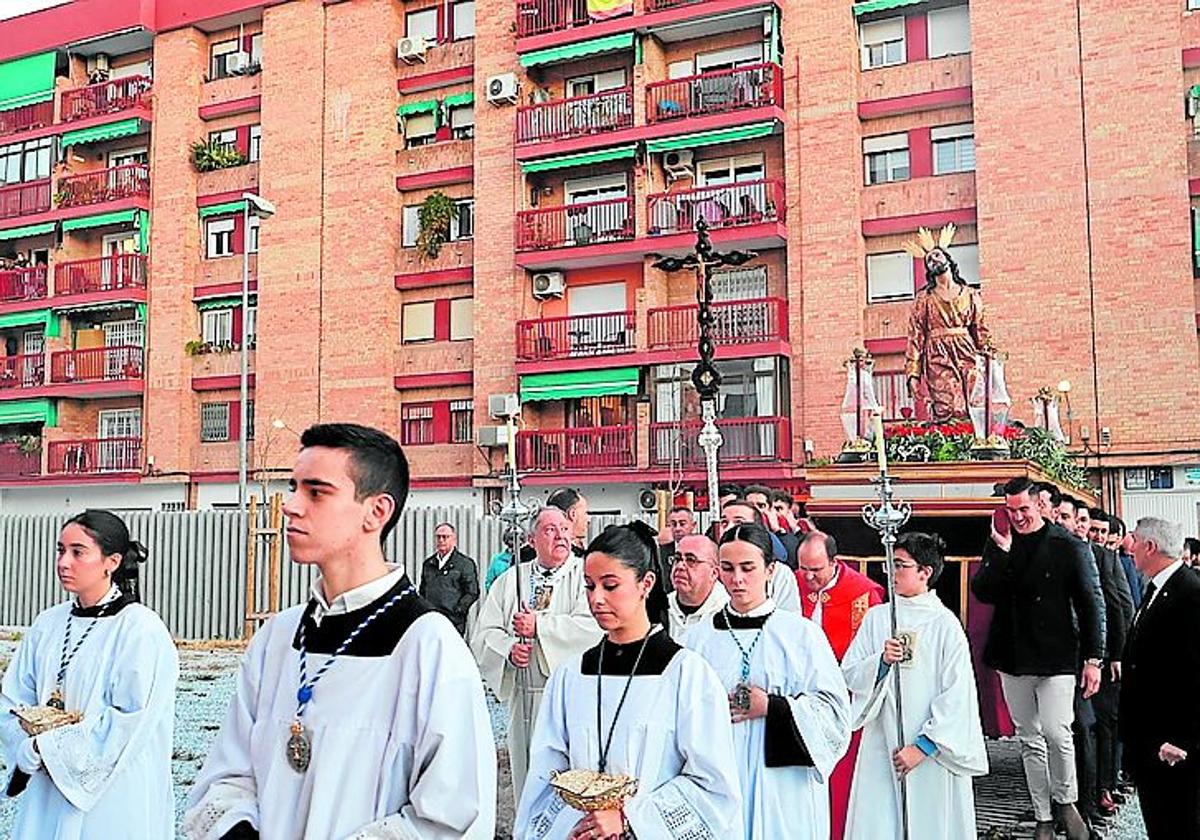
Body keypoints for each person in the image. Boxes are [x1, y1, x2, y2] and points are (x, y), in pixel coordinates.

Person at [184, 423, 496, 839]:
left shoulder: (428, 646)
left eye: (316, 492)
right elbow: (228, 776)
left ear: (377, 511)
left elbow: (451, 814)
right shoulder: (277, 637)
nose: (291, 506)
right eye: (293, 487)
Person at [515, 523, 742, 839]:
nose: (596, 599)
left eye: (610, 586)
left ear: (645, 583)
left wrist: (629, 819)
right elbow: (546, 776)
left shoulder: (686, 674)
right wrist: (582, 822)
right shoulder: (570, 677)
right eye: (589, 586)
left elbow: (713, 786)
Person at [0, 510, 178, 839]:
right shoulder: (47, 624)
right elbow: (13, 697)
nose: (64, 562)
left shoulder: (140, 629)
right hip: (48, 786)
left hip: (112, 792)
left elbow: (130, 719)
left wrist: (49, 748)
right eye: (60, 550)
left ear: (111, 561)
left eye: (78, 552)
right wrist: (25, 746)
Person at [685, 522, 851, 839]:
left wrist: (773, 707)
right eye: (728, 568)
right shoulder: (698, 637)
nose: (737, 579)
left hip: (783, 785)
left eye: (748, 567)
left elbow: (835, 715)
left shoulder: (800, 635)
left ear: (770, 569)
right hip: (720, 774)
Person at [971, 476, 1105, 840]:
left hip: (1057, 653)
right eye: (1011, 511)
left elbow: (1092, 604)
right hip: (1013, 653)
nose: (1017, 517)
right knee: (1029, 737)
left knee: (1057, 732)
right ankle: (1043, 815)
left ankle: (1067, 801)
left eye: (1024, 510)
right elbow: (983, 591)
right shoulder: (1000, 541)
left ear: (1040, 506)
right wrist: (1001, 554)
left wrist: (1095, 657)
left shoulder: (1068, 545)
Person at [843, 531, 988, 839]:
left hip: (931, 754)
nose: (892, 573)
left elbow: (958, 696)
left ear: (926, 572)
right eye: (889, 565)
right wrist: (880, 663)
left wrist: (923, 746)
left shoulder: (945, 625)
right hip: (882, 743)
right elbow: (850, 674)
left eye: (900, 565)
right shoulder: (876, 618)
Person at [470, 506, 601, 808]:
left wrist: (541, 626)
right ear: (531, 540)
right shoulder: (511, 580)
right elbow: (484, 632)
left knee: (569, 778)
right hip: (524, 693)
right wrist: (508, 650)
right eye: (550, 530)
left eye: (565, 529)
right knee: (527, 775)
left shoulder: (585, 575)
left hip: (571, 696)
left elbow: (593, 626)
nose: (560, 536)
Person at [794, 530, 885, 840]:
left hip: (845, 700)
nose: (807, 577)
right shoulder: (789, 584)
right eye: (803, 568)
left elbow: (870, 656)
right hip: (798, 699)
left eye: (815, 570)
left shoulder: (864, 594)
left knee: (841, 779)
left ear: (834, 562)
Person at [1120, 517, 1200, 839]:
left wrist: (1183, 738)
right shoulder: (1157, 588)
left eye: (1135, 541)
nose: (1130, 547)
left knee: (1180, 824)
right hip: (1150, 737)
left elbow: (1196, 672)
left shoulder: (1189, 592)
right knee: (1161, 823)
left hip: (1174, 744)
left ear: (1150, 546)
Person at [902, 223, 992, 421]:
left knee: (975, 402)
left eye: (936, 255)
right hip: (937, 355)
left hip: (967, 350)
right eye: (929, 260)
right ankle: (950, 444)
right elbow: (915, 337)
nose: (933, 260)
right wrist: (913, 374)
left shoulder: (970, 294)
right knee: (948, 405)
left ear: (948, 260)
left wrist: (990, 360)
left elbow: (981, 331)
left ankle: (976, 443)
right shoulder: (924, 299)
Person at [1086, 507, 1134, 819]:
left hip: (1103, 659)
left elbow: (1121, 606)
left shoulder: (1108, 559)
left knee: (1104, 725)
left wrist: (1115, 654)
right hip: (1070, 658)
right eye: (1094, 530)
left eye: (1103, 532)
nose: (1098, 537)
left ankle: (1103, 786)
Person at [720, 498, 800, 611]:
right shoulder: (707, 564)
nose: (729, 528)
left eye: (739, 522)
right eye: (724, 522)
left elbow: (789, 619)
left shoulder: (780, 573)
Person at [418, 522, 479, 635]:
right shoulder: (428, 563)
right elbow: (422, 590)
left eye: (445, 537)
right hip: (431, 619)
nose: (441, 540)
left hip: (453, 620)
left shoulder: (464, 563)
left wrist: (459, 610)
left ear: (454, 539)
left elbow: (472, 592)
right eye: (438, 537)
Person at [665, 534, 729, 642]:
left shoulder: (727, 613)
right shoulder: (660, 608)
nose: (680, 566)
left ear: (714, 573)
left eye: (691, 560)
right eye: (677, 558)